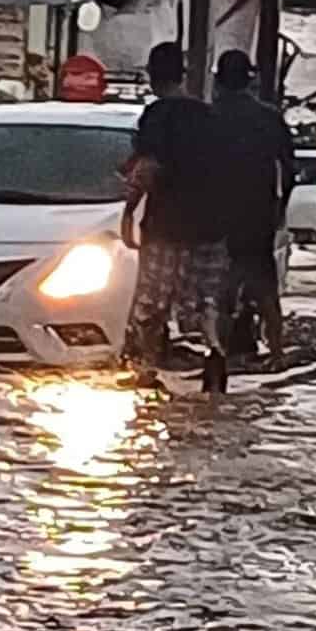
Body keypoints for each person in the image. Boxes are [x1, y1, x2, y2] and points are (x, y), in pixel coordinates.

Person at [120, 42, 230, 392]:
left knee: (153, 301)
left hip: (166, 226)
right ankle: (215, 355)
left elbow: (146, 169)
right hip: (211, 226)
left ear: (153, 77)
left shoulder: (157, 116)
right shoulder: (210, 116)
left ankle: (147, 368)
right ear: (182, 75)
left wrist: (128, 213)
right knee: (204, 300)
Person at [211, 49, 295, 364]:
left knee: (222, 292)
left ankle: (217, 355)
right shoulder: (270, 118)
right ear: (251, 81)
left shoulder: (210, 117)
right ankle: (277, 354)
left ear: (218, 81)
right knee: (266, 291)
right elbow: (289, 170)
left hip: (217, 217)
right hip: (259, 215)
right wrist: (279, 208)